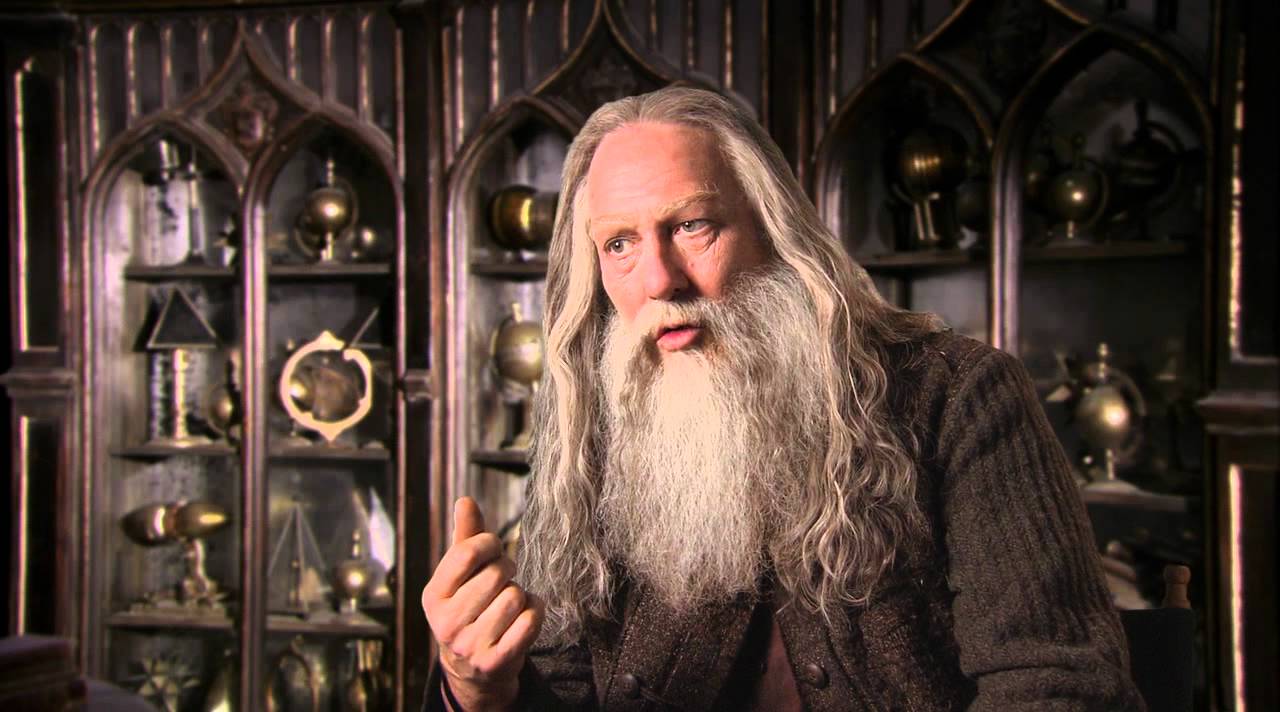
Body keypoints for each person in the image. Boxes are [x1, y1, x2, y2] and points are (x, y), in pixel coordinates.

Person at [421, 86, 1144, 711]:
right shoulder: (596, 428)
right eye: (619, 244)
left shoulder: (960, 396)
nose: (660, 279)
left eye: (691, 225)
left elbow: (1057, 684)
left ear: (775, 229)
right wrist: (479, 690)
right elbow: (562, 688)